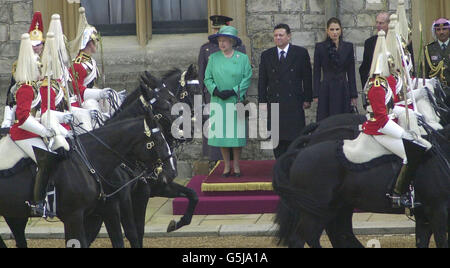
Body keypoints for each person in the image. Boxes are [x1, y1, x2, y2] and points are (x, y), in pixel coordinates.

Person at [361, 30, 431, 208]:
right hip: (378, 128)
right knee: (409, 153)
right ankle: (398, 193)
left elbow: (391, 107)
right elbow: (382, 119)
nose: (394, 69)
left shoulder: (386, 81)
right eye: (391, 65)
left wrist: (410, 112)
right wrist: (404, 135)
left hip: (386, 122)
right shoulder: (377, 86)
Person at [10, 33, 61, 217]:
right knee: (46, 160)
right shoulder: (26, 88)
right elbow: (23, 118)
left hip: (30, 131)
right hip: (22, 133)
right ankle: (39, 202)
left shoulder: (33, 86)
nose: (41, 72)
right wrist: (43, 130)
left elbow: (36, 114)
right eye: (39, 68)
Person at [204, 26, 252, 177]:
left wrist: (233, 90)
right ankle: (226, 166)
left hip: (235, 100)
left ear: (232, 41)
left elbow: (247, 77)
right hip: (219, 101)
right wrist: (215, 90)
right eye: (219, 41)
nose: (222, 44)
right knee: (222, 135)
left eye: (224, 41)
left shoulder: (242, 58)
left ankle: (236, 165)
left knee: (236, 135)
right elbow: (207, 78)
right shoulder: (213, 58)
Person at [258, 24, 312, 159]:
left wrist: (307, 98)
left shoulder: (300, 53)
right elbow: (262, 81)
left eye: (281, 35)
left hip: (294, 101)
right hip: (274, 102)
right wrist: (262, 101)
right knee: (277, 139)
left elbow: (307, 77)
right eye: (275, 35)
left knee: (295, 138)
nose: (278, 38)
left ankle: (293, 169)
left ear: (289, 36)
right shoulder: (267, 55)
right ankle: (280, 167)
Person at [198, 15, 246, 162]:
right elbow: (202, 75)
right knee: (215, 130)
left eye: (221, 29)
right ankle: (216, 162)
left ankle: (233, 162)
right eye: (216, 29)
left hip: (233, 97)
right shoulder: (206, 49)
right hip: (213, 96)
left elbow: (243, 73)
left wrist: (236, 92)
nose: (218, 32)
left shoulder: (239, 48)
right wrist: (209, 93)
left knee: (233, 131)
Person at [2, 11, 45, 129]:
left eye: (38, 44)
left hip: (45, 110)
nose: (36, 48)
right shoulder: (19, 65)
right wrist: (7, 119)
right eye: (33, 45)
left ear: (43, 44)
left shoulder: (47, 63)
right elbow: (11, 94)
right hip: (26, 110)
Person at [313, 17, 358, 122]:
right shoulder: (320, 47)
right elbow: (316, 71)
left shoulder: (348, 47)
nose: (335, 32)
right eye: (332, 29)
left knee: (343, 119)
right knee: (326, 118)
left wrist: (353, 94)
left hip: (343, 87)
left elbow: (351, 72)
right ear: (327, 31)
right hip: (326, 88)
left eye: (337, 29)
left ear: (341, 30)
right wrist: (316, 93)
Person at [359, 11, 415, 89]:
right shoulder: (369, 43)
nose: (378, 25)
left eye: (381, 23)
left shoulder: (400, 42)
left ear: (389, 24)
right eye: (377, 22)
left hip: (397, 85)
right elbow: (365, 67)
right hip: (377, 85)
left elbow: (410, 64)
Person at [425, 18, 450, 104]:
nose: (441, 32)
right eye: (438, 30)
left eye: (444, 29)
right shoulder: (429, 49)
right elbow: (425, 72)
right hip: (437, 93)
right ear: (435, 32)